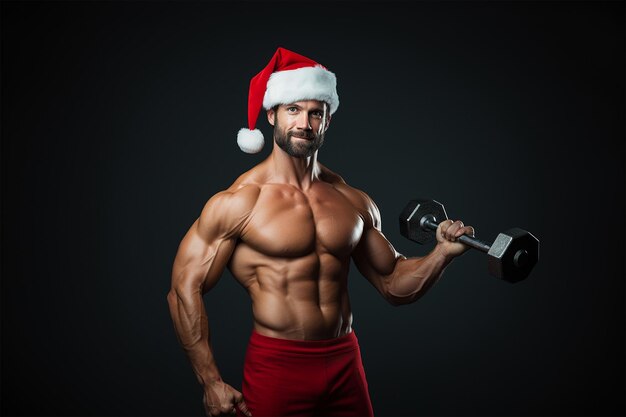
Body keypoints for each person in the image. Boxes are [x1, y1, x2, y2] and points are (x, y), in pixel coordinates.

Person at [167, 47, 475, 417]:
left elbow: (393, 283)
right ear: (272, 115)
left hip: (344, 359)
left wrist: (440, 254)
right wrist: (210, 381)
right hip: (278, 365)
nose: (304, 123)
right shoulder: (240, 202)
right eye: (293, 110)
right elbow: (184, 288)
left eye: (316, 112)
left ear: (327, 120)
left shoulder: (352, 200)